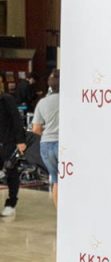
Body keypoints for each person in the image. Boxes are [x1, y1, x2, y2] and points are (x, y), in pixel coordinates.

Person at [32, 69, 60, 208]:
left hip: (46, 145)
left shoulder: (42, 102)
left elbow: (36, 130)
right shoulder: (70, 100)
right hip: (63, 144)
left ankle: (59, 212)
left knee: (56, 180)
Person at [0, 82, 26, 217]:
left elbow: (17, 120)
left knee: (11, 172)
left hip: (8, 143)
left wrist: (20, 140)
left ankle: (11, 204)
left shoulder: (6, 99)